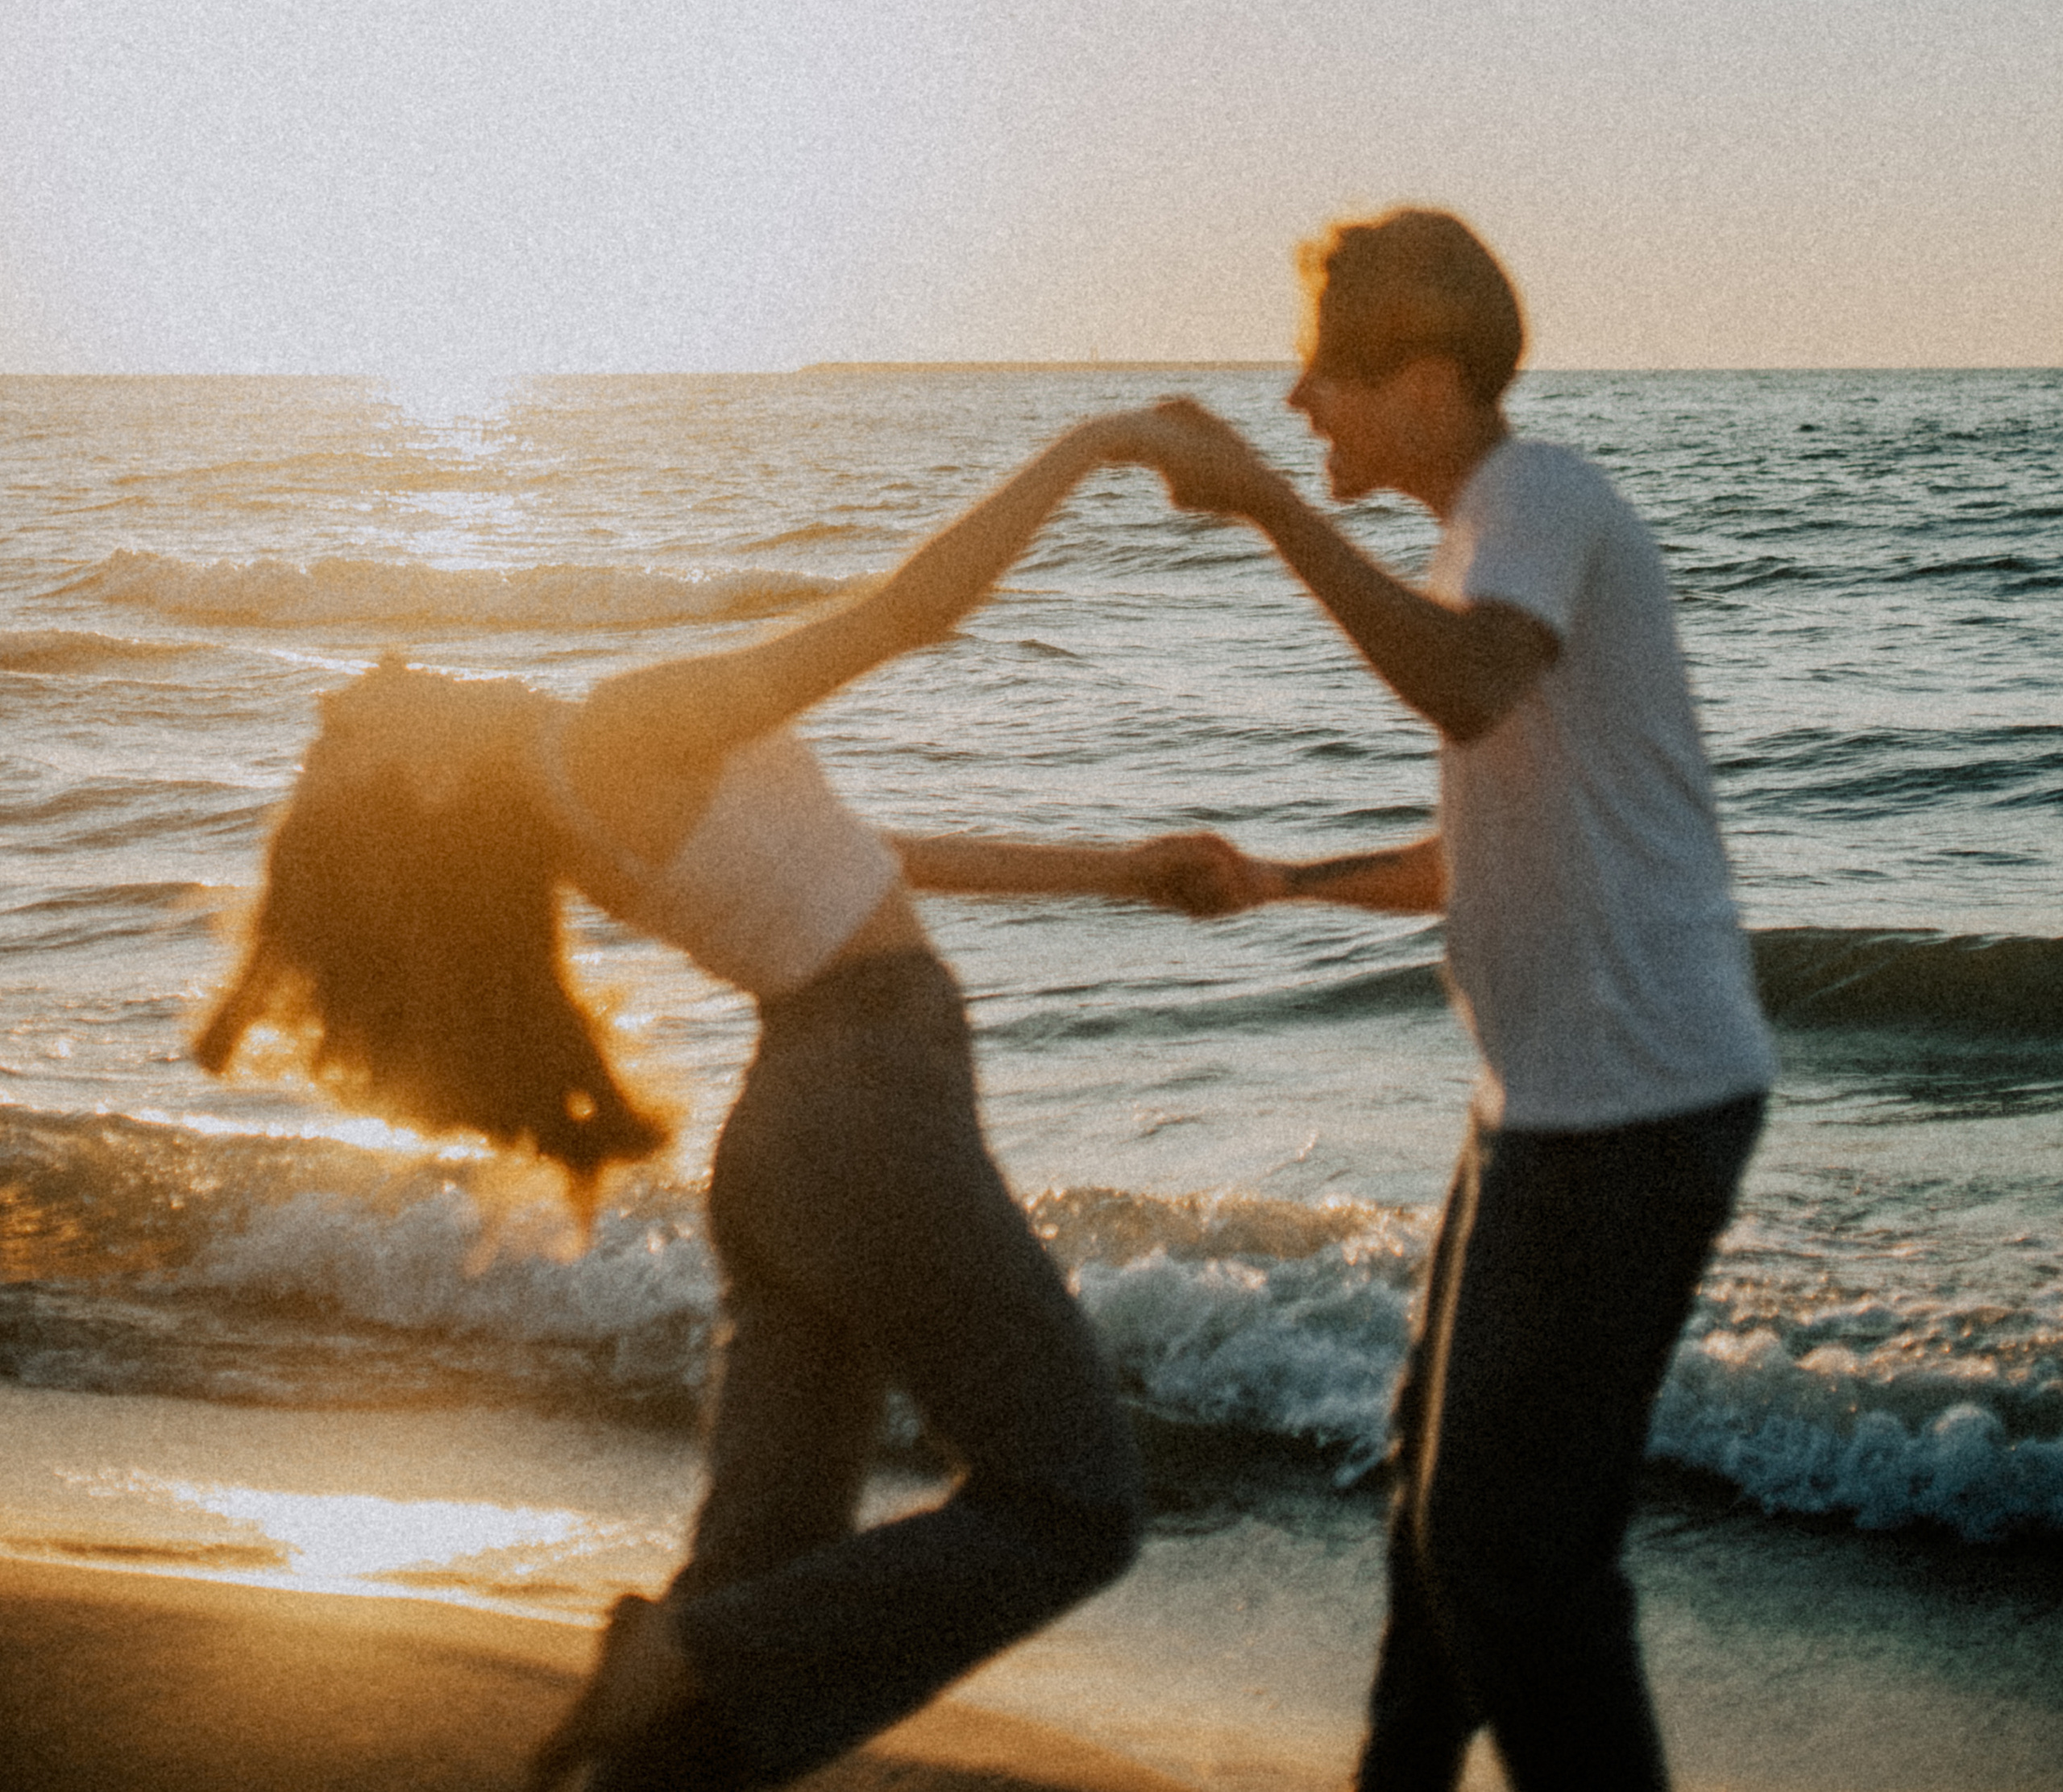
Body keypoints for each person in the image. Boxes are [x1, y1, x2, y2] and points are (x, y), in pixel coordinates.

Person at [194, 413, 1264, 1792]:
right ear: (433, 776)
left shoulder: (575, 799)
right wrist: (1098, 442)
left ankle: (673, 1692)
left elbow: (857, 855)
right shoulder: (619, 729)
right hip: (865, 1116)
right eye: (363, 713)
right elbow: (911, 612)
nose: (389, 664)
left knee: (758, 1580)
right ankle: (688, 1649)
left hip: (793, 1142)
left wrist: (1117, 871)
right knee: (1073, 1502)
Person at [1114, 211, 1775, 1792]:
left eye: (1319, 374)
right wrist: (1281, 881)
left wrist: (1270, 507)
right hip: (1554, 1106)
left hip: (1626, 1108)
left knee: (1506, 1560)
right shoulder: (1492, 533)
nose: (1295, 404)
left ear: (1422, 377)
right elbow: (1476, 846)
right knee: (1442, 1521)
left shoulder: (1534, 497)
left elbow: (1467, 685)